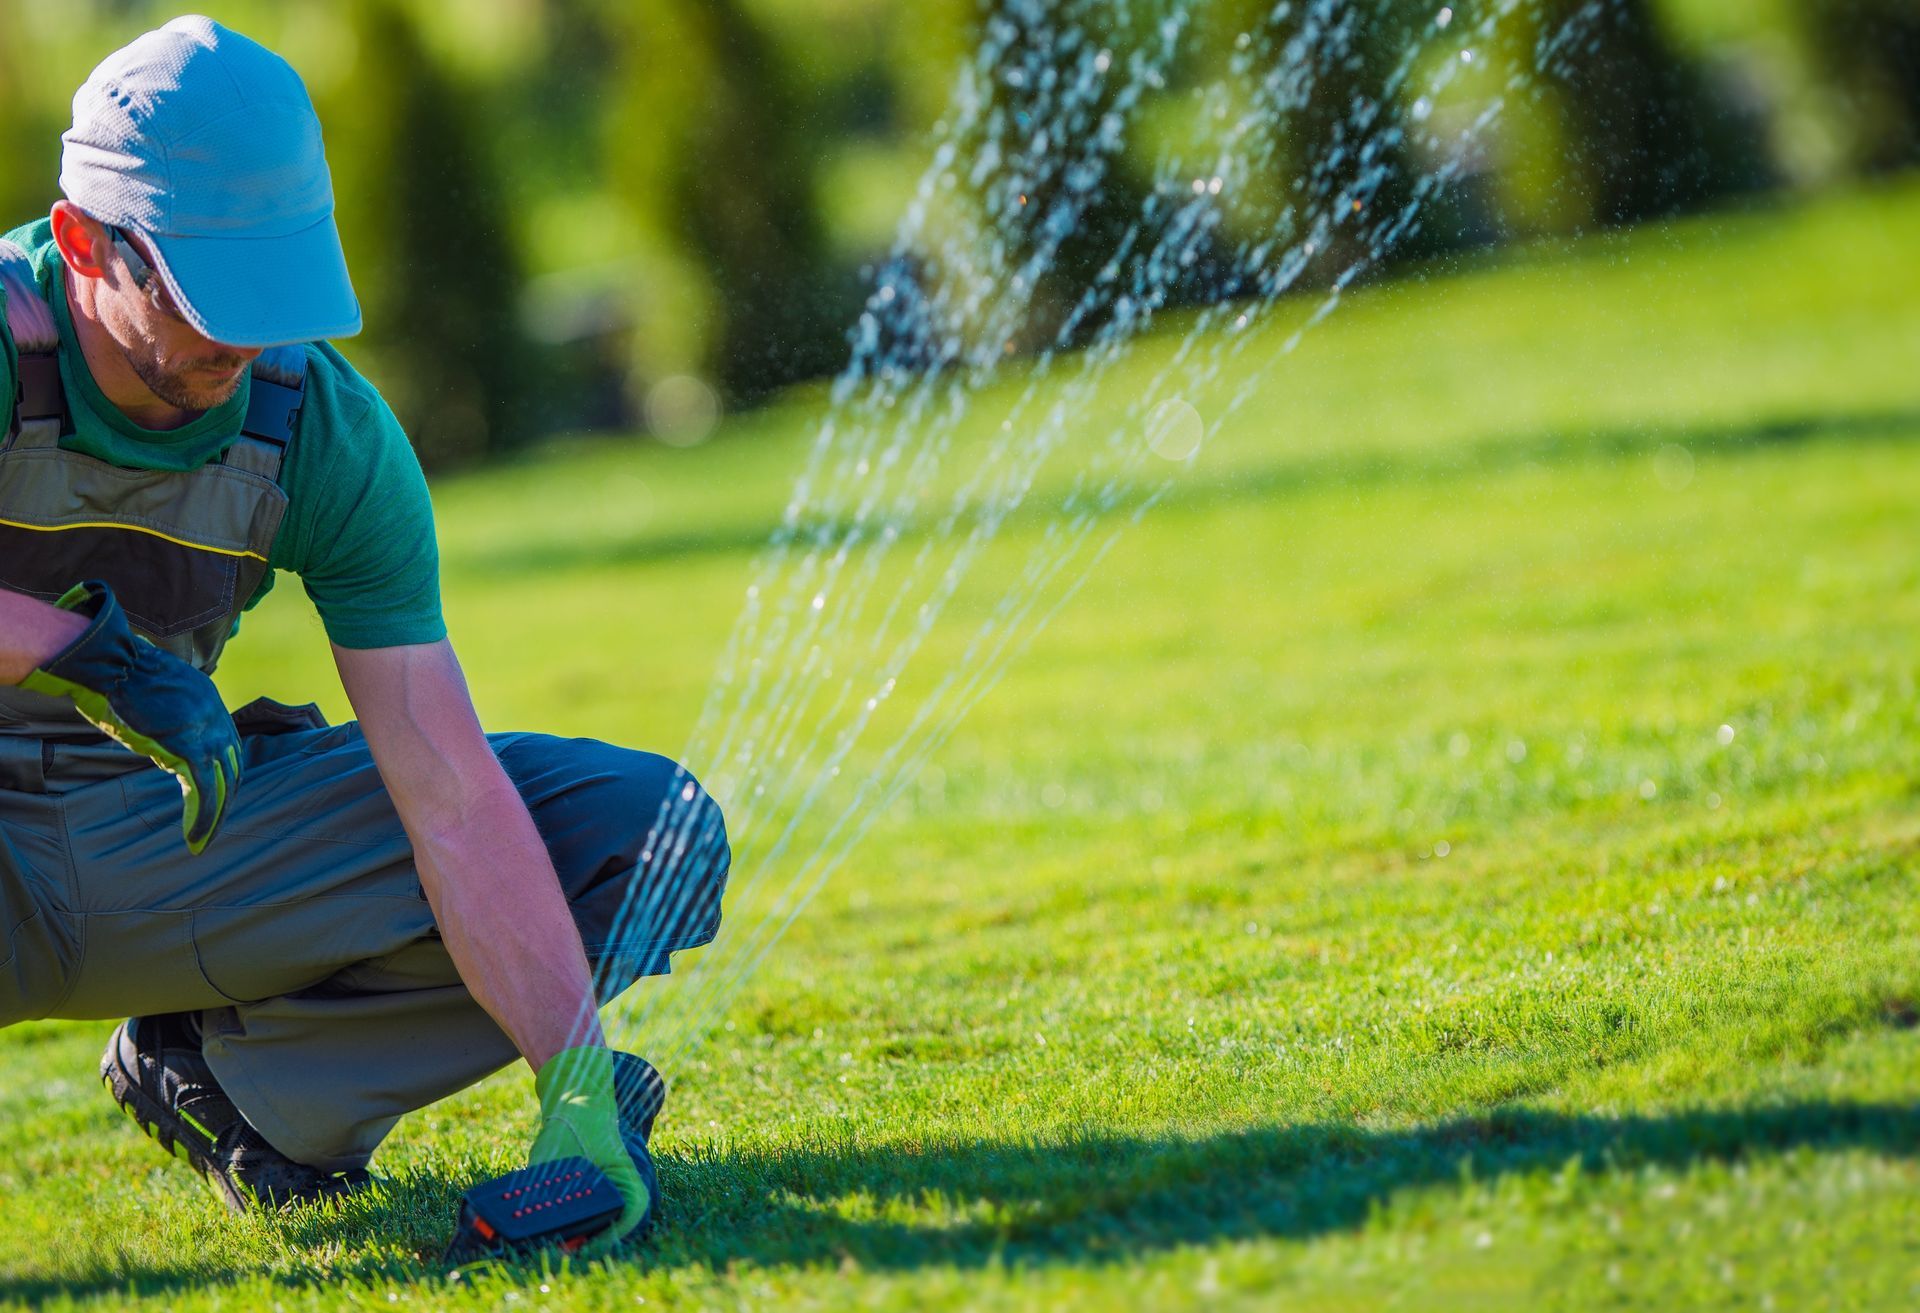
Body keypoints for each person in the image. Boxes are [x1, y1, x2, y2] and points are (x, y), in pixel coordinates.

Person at [0, 16, 730, 1246]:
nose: (242, 340)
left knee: (638, 839)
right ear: (83, 240)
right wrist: (85, 653)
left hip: (163, 833)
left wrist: (576, 1083)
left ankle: (243, 1090)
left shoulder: (320, 433)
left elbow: (446, 788)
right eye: (202, 293)